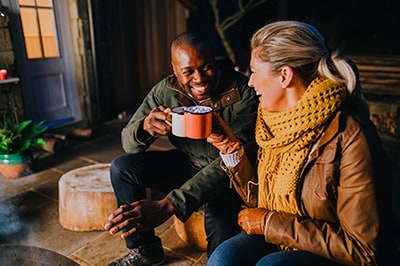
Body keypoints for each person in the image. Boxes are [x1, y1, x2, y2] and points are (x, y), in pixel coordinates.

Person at [206, 20, 395, 265]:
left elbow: (362, 248)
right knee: (224, 257)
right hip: (282, 234)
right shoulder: (272, 123)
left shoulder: (350, 136)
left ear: (284, 75)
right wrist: (232, 152)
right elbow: (262, 204)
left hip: (339, 254)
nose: (250, 81)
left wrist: (269, 223)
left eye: (253, 71)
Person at [103, 31, 259, 266]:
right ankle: (145, 250)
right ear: (174, 69)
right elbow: (127, 143)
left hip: (227, 175)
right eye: (188, 72)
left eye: (206, 67)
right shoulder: (165, 91)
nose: (199, 78)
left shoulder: (243, 92)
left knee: (220, 230)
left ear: (215, 60)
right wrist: (144, 128)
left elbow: (233, 161)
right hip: (187, 162)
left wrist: (170, 204)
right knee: (121, 168)